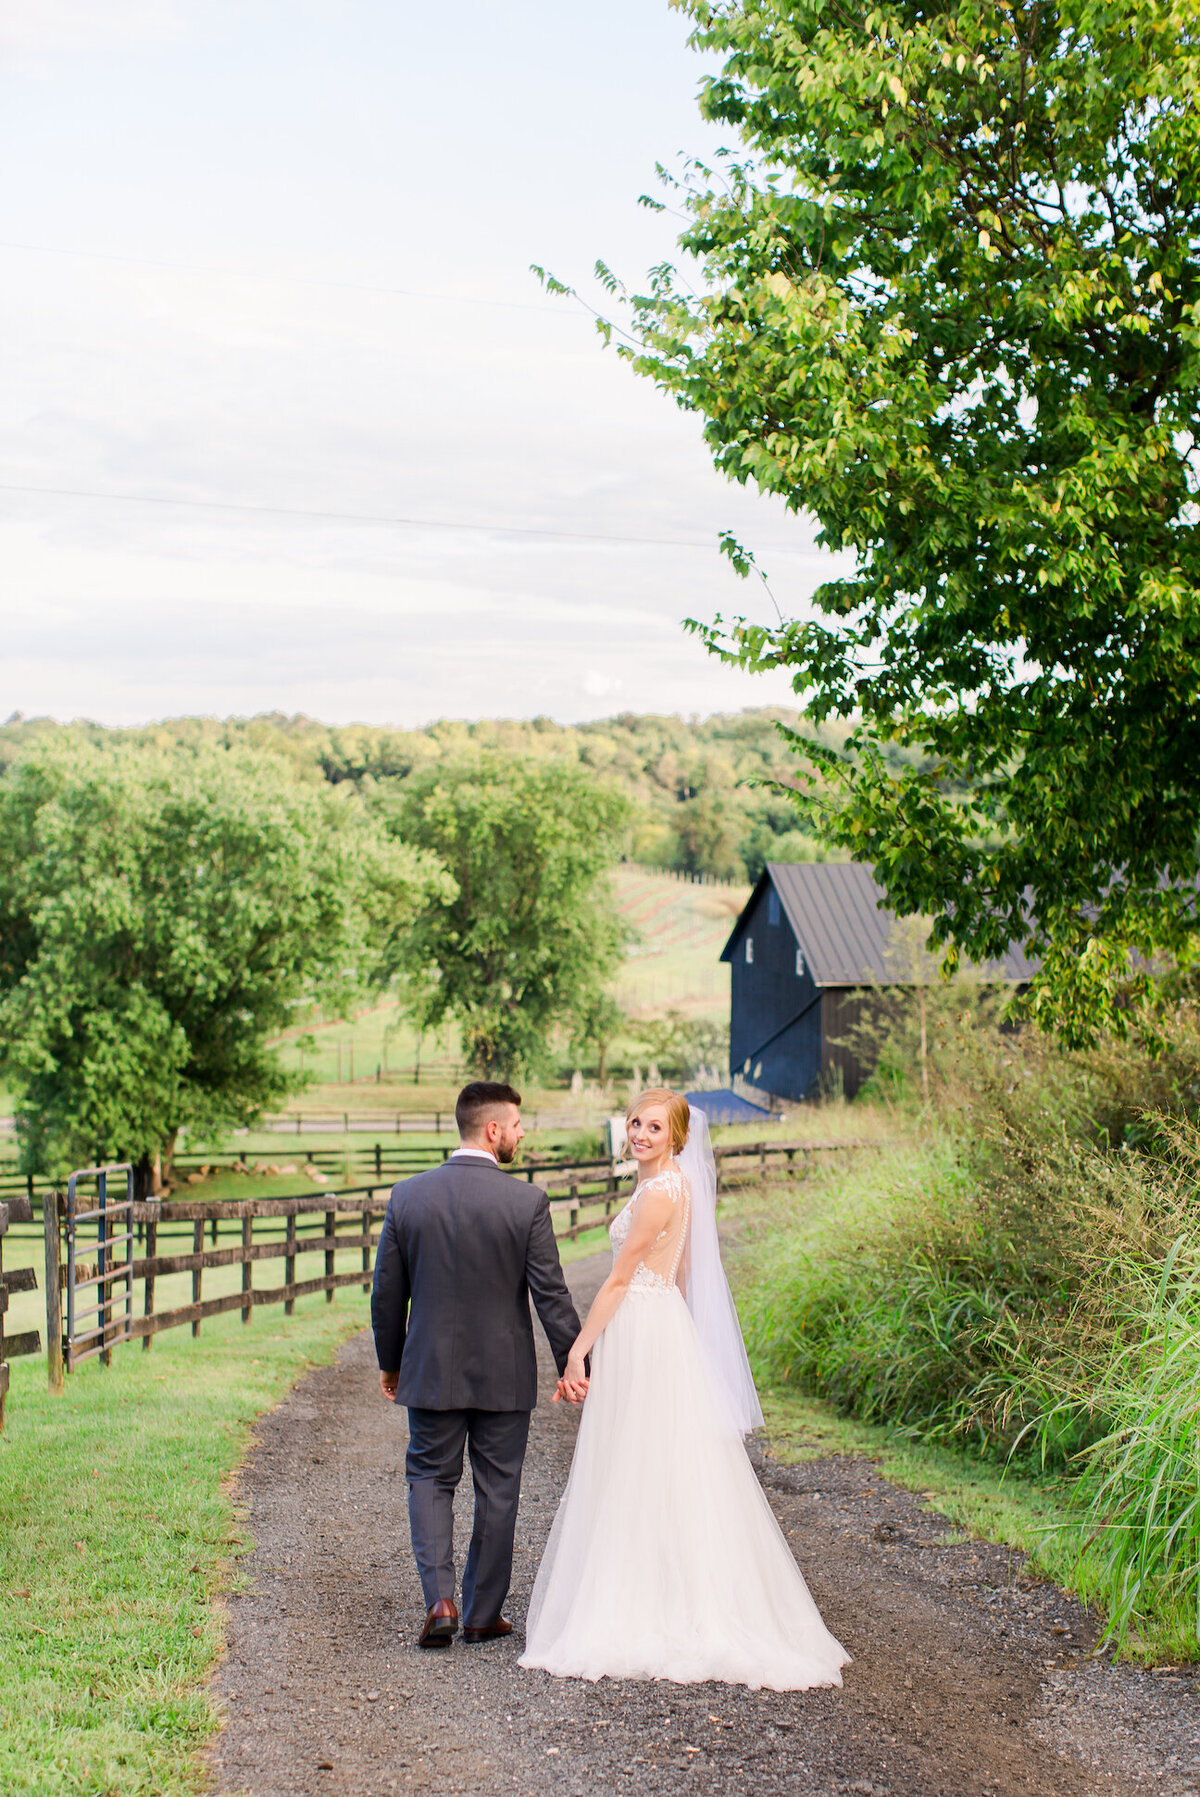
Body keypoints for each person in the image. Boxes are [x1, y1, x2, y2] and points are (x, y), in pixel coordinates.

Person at [521, 1088, 850, 1690]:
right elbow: (684, 1271)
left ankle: (655, 1604)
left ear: (676, 1137)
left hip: (643, 1325)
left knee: (640, 1456)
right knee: (656, 1457)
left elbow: (620, 1280)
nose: (640, 1133)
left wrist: (577, 1350)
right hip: (658, 1323)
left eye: (653, 1127)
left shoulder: (661, 1190)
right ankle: (656, 1587)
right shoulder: (671, 1186)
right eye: (634, 1123)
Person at [372, 1080, 582, 1650]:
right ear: (493, 1130)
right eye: (516, 1124)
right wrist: (575, 1362)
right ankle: (482, 1614)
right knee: (498, 1488)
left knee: (430, 1477)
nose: (521, 1133)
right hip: (503, 1373)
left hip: (429, 1369)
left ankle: (439, 1600)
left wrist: (391, 1362)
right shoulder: (526, 1202)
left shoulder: (408, 1197)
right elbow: (552, 1296)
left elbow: (387, 1294)